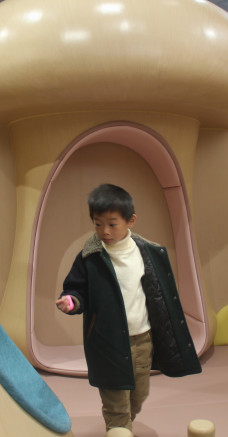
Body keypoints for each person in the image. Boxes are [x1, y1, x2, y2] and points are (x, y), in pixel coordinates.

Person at [56, 183, 201, 433]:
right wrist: (71, 301)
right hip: (107, 343)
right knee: (117, 406)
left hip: (143, 340)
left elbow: (158, 294)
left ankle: (124, 427)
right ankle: (119, 427)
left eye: (112, 224)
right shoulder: (89, 258)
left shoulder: (147, 253)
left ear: (130, 220)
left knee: (138, 395)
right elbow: (76, 289)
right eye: (98, 224)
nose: (105, 231)